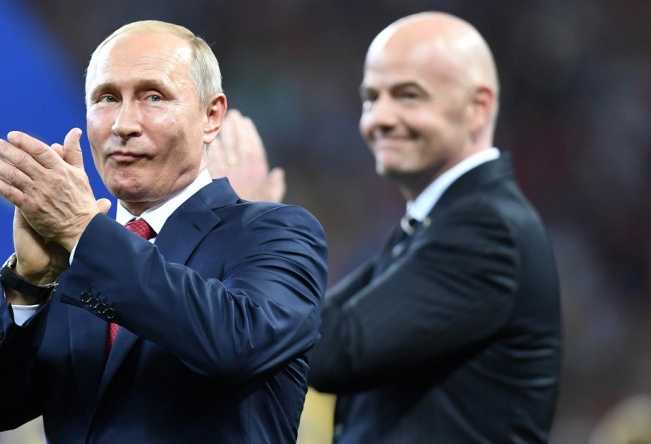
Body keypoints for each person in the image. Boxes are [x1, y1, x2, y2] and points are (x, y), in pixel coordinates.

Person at [0, 20, 328, 443]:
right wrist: (26, 284)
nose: (123, 123)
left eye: (153, 96)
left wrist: (82, 231)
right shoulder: (71, 260)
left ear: (211, 116)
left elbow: (234, 343)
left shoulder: (278, 233)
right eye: (106, 98)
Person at [210, 11, 561, 443]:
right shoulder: (435, 222)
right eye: (371, 97)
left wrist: (254, 226)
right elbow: (323, 322)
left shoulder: (488, 230)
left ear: (478, 106)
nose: (380, 118)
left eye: (408, 96)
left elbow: (332, 352)